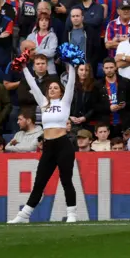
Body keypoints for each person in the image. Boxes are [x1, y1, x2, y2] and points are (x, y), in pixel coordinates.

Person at [8, 62, 77, 223]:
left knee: (66, 179)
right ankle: (24, 216)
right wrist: (24, 66)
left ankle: (72, 213)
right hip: (48, 146)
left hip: (63, 145)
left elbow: (72, 84)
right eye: (50, 88)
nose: (52, 89)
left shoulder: (65, 103)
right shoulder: (43, 104)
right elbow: (32, 83)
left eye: (56, 88)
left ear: (61, 92)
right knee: (40, 181)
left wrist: (72, 66)